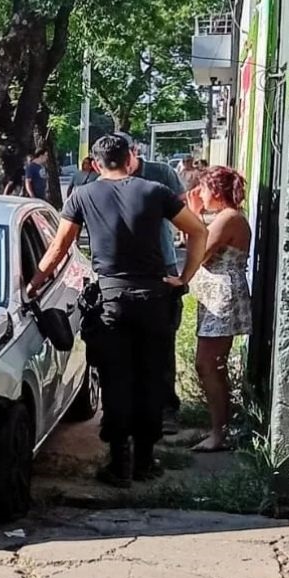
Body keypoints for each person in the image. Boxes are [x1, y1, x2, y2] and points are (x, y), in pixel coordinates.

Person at [27, 134, 208, 487]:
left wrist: (33, 284)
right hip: (156, 298)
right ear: (130, 159)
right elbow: (198, 231)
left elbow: (58, 250)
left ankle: (119, 463)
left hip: (111, 300)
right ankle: (145, 460)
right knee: (150, 377)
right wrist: (183, 278)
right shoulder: (155, 192)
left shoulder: (82, 195)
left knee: (115, 380)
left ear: (95, 165)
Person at [121, 134, 188, 434]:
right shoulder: (108, 175)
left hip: (162, 266)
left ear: (135, 152)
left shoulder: (161, 173)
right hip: (123, 271)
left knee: (162, 340)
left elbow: (185, 213)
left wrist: (184, 276)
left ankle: (166, 408)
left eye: (125, 158)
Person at [187, 167, 252, 452]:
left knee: (207, 364)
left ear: (214, 191)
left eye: (202, 189)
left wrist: (192, 214)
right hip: (215, 298)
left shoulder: (229, 218)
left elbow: (199, 253)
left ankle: (218, 433)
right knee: (212, 365)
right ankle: (220, 427)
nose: (199, 195)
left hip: (222, 300)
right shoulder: (226, 218)